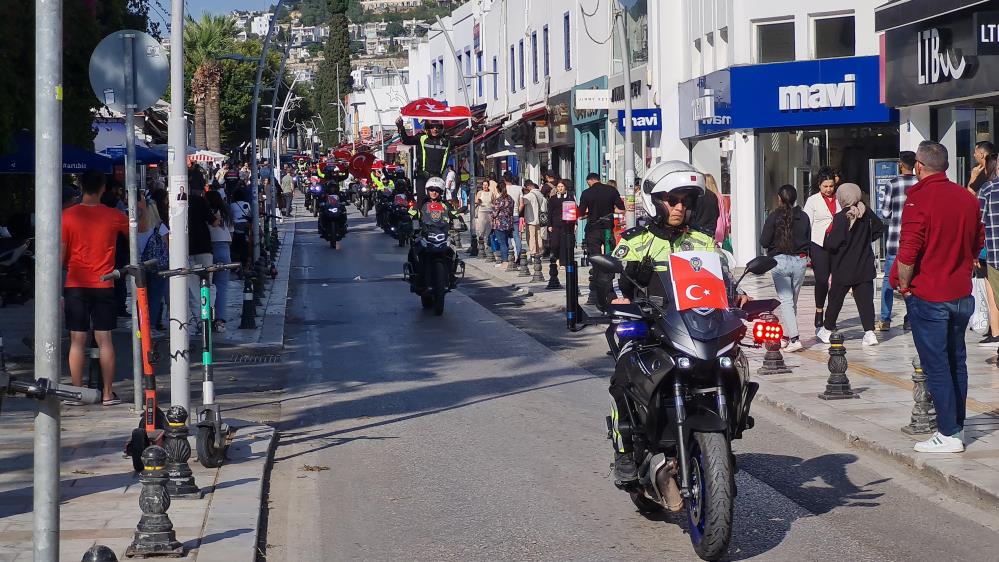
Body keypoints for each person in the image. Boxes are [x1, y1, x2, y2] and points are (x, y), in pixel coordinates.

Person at [599, 161, 749, 482]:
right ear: (655, 201)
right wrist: (620, 294)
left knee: (731, 363)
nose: (680, 207)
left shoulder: (702, 242)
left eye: (686, 201)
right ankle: (625, 448)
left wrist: (738, 294)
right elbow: (609, 281)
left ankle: (725, 435)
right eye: (673, 200)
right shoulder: (635, 241)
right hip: (650, 327)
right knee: (623, 376)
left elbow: (722, 278)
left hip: (693, 327)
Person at [890, 141, 984, 453]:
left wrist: (904, 286)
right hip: (960, 294)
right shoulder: (966, 198)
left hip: (930, 294)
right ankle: (956, 426)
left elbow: (909, 249)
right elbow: (977, 241)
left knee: (937, 365)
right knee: (957, 361)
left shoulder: (919, 197)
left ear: (919, 166)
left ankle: (948, 433)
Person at [61, 170, 128, 406]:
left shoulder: (67, 216)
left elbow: (61, 254)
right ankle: (107, 393)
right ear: (102, 189)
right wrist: (141, 207)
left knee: (77, 340)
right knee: (105, 339)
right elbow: (138, 230)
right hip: (104, 282)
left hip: (75, 283)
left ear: (81, 187)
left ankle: (77, 392)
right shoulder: (114, 215)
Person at [815, 183, 885, 346]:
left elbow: (833, 243)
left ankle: (827, 329)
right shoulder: (866, 213)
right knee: (865, 301)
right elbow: (879, 228)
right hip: (864, 264)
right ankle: (869, 333)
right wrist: (866, 240)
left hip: (843, 266)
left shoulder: (842, 217)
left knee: (835, 299)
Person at [760, 184, 810, 352]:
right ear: (795, 199)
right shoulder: (803, 217)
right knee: (791, 302)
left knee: (786, 301)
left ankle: (795, 339)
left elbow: (764, 241)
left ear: (779, 199)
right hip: (800, 261)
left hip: (779, 261)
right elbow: (808, 238)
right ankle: (786, 337)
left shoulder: (774, 216)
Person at [877, 151, 918, 332]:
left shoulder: (892, 184)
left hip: (895, 240)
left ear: (900, 164)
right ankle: (910, 319)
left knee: (888, 280)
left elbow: (885, 213)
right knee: (912, 281)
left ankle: (885, 319)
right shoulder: (920, 184)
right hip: (915, 241)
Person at [395, 117, 475, 198]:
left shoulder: (447, 140)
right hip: (423, 176)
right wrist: (401, 127)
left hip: (438, 177)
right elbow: (406, 140)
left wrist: (473, 128)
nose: (435, 129)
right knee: (421, 200)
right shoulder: (422, 138)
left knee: (440, 200)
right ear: (427, 128)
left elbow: (464, 140)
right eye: (432, 127)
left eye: (438, 127)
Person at [803, 169, 841, 335]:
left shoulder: (840, 198)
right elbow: (807, 224)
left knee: (838, 282)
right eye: (825, 186)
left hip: (838, 244)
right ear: (819, 185)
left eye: (831, 186)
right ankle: (819, 310)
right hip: (818, 244)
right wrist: (806, 248)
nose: (828, 189)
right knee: (822, 279)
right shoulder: (812, 201)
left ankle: (831, 317)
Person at [578, 172, 625, 305]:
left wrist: (589, 214)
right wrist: (610, 211)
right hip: (607, 228)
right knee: (610, 257)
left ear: (589, 181)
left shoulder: (586, 193)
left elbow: (580, 213)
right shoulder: (611, 190)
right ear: (599, 179)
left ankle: (596, 285)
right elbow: (621, 208)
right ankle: (609, 283)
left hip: (593, 229)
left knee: (595, 257)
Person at [187, 167, 216, 328]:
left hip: (187, 249)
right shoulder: (200, 201)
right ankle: (208, 318)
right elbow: (214, 221)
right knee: (208, 285)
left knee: (193, 289)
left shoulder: (179, 202)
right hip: (204, 247)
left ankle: (199, 321)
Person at [137, 194, 169, 335]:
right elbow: (167, 247)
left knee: (142, 296)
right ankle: (151, 326)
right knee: (155, 297)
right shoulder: (160, 227)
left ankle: (141, 325)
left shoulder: (136, 226)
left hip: (140, 266)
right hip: (157, 266)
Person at [977, 152, 999, 345]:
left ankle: (996, 332)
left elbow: (979, 222)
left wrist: (975, 251)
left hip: (995, 255)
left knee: (993, 294)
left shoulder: (988, 188)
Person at [206, 191, 234, 333]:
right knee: (222, 287)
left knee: (206, 286)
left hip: (208, 249)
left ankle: (206, 318)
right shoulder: (226, 213)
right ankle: (220, 320)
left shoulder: (205, 213)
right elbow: (232, 233)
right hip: (224, 248)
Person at [547, 178, 575, 268]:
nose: (560, 188)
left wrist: (575, 224)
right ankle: (556, 257)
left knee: (564, 243)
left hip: (567, 224)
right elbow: (550, 212)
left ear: (565, 187)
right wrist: (549, 224)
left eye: (562, 186)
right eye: (558, 187)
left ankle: (563, 262)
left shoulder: (570, 197)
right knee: (555, 243)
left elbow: (573, 211)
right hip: (555, 224)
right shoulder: (553, 198)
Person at [490, 183, 514, 268]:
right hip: (508, 223)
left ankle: (505, 261)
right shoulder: (510, 198)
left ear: (498, 190)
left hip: (499, 224)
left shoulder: (499, 200)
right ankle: (507, 259)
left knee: (502, 243)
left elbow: (494, 213)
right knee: (506, 242)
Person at [521, 180, 546, 259]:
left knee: (531, 237)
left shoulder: (529, 195)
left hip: (531, 219)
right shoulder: (540, 194)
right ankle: (540, 251)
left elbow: (521, 202)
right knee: (538, 236)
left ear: (528, 187)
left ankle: (533, 253)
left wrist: (522, 194)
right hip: (539, 219)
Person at [691, 172, 721, 238]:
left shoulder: (695, 195)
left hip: (696, 232)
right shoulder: (712, 195)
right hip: (710, 231)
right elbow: (717, 214)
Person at [503, 172, 524, 261]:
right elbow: (522, 204)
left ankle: (510, 255)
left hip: (505, 215)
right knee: (516, 235)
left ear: (504, 179)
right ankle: (519, 254)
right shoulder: (519, 188)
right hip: (515, 215)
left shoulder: (503, 188)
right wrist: (517, 213)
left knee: (506, 235)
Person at [474, 179, 494, 249]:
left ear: (488, 186)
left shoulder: (491, 193)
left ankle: (486, 244)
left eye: (486, 185)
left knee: (489, 229)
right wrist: (478, 201)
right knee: (481, 229)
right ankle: (480, 243)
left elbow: (494, 202)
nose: (485, 186)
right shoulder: (480, 192)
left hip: (489, 212)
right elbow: (476, 202)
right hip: (481, 212)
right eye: (484, 185)